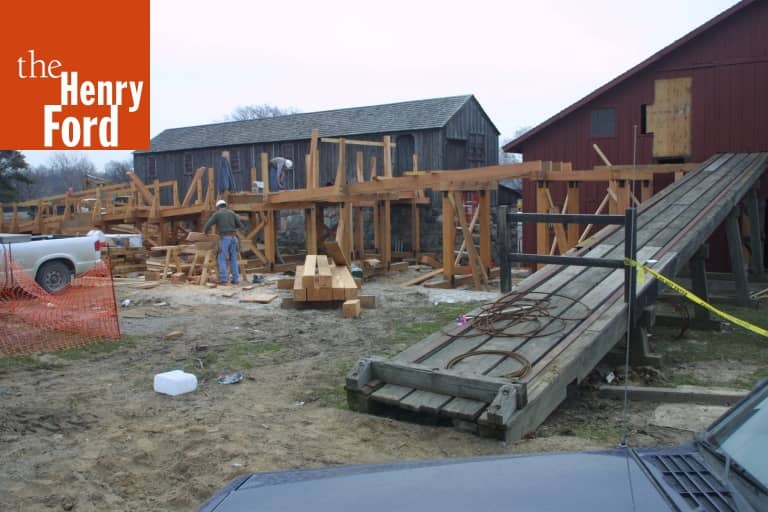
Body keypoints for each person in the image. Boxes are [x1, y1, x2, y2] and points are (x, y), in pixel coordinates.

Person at [204, 199, 245, 284]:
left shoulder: (217, 214)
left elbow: (207, 225)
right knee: (233, 258)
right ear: (225, 206)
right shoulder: (232, 213)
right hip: (234, 238)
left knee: (221, 258)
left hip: (224, 238)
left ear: (218, 207)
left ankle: (224, 279)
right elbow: (240, 226)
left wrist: (205, 232)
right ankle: (235, 279)